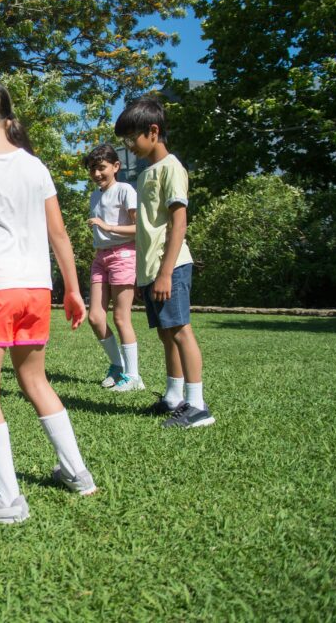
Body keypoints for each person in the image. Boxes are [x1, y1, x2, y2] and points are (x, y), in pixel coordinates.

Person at [0, 79, 94, 524]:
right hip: (36, 290)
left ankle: (7, 500)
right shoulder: (35, 166)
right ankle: (77, 473)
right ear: (6, 115)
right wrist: (72, 289)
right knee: (35, 381)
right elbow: (59, 234)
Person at [114, 97, 215, 428]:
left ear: (153, 131)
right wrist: (147, 276)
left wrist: (165, 273)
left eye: (132, 139)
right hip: (151, 270)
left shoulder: (171, 168)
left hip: (169, 266)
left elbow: (179, 224)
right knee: (166, 334)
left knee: (181, 330)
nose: (129, 146)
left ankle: (197, 406)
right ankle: (174, 397)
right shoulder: (145, 174)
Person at [84, 144, 144, 392]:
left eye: (101, 168)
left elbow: (138, 228)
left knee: (121, 317)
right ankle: (118, 367)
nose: (97, 174)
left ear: (116, 166)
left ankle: (134, 377)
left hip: (123, 255)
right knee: (95, 317)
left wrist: (108, 227)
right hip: (102, 257)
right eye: (92, 169)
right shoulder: (95, 195)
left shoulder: (125, 190)